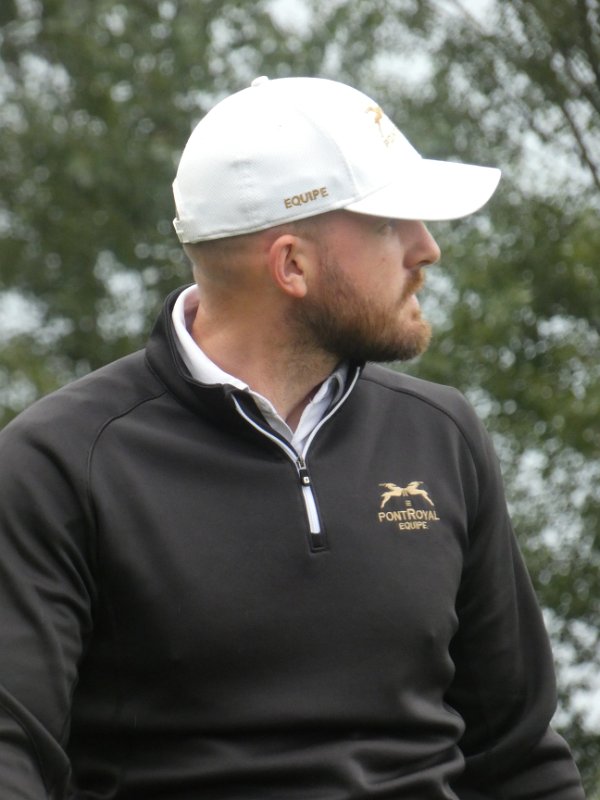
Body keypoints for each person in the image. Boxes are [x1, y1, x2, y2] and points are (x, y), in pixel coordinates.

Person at [0, 75, 585, 800]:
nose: (427, 249)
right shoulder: (60, 463)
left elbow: (519, 758)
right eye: (389, 224)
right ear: (292, 266)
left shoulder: (442, 434)